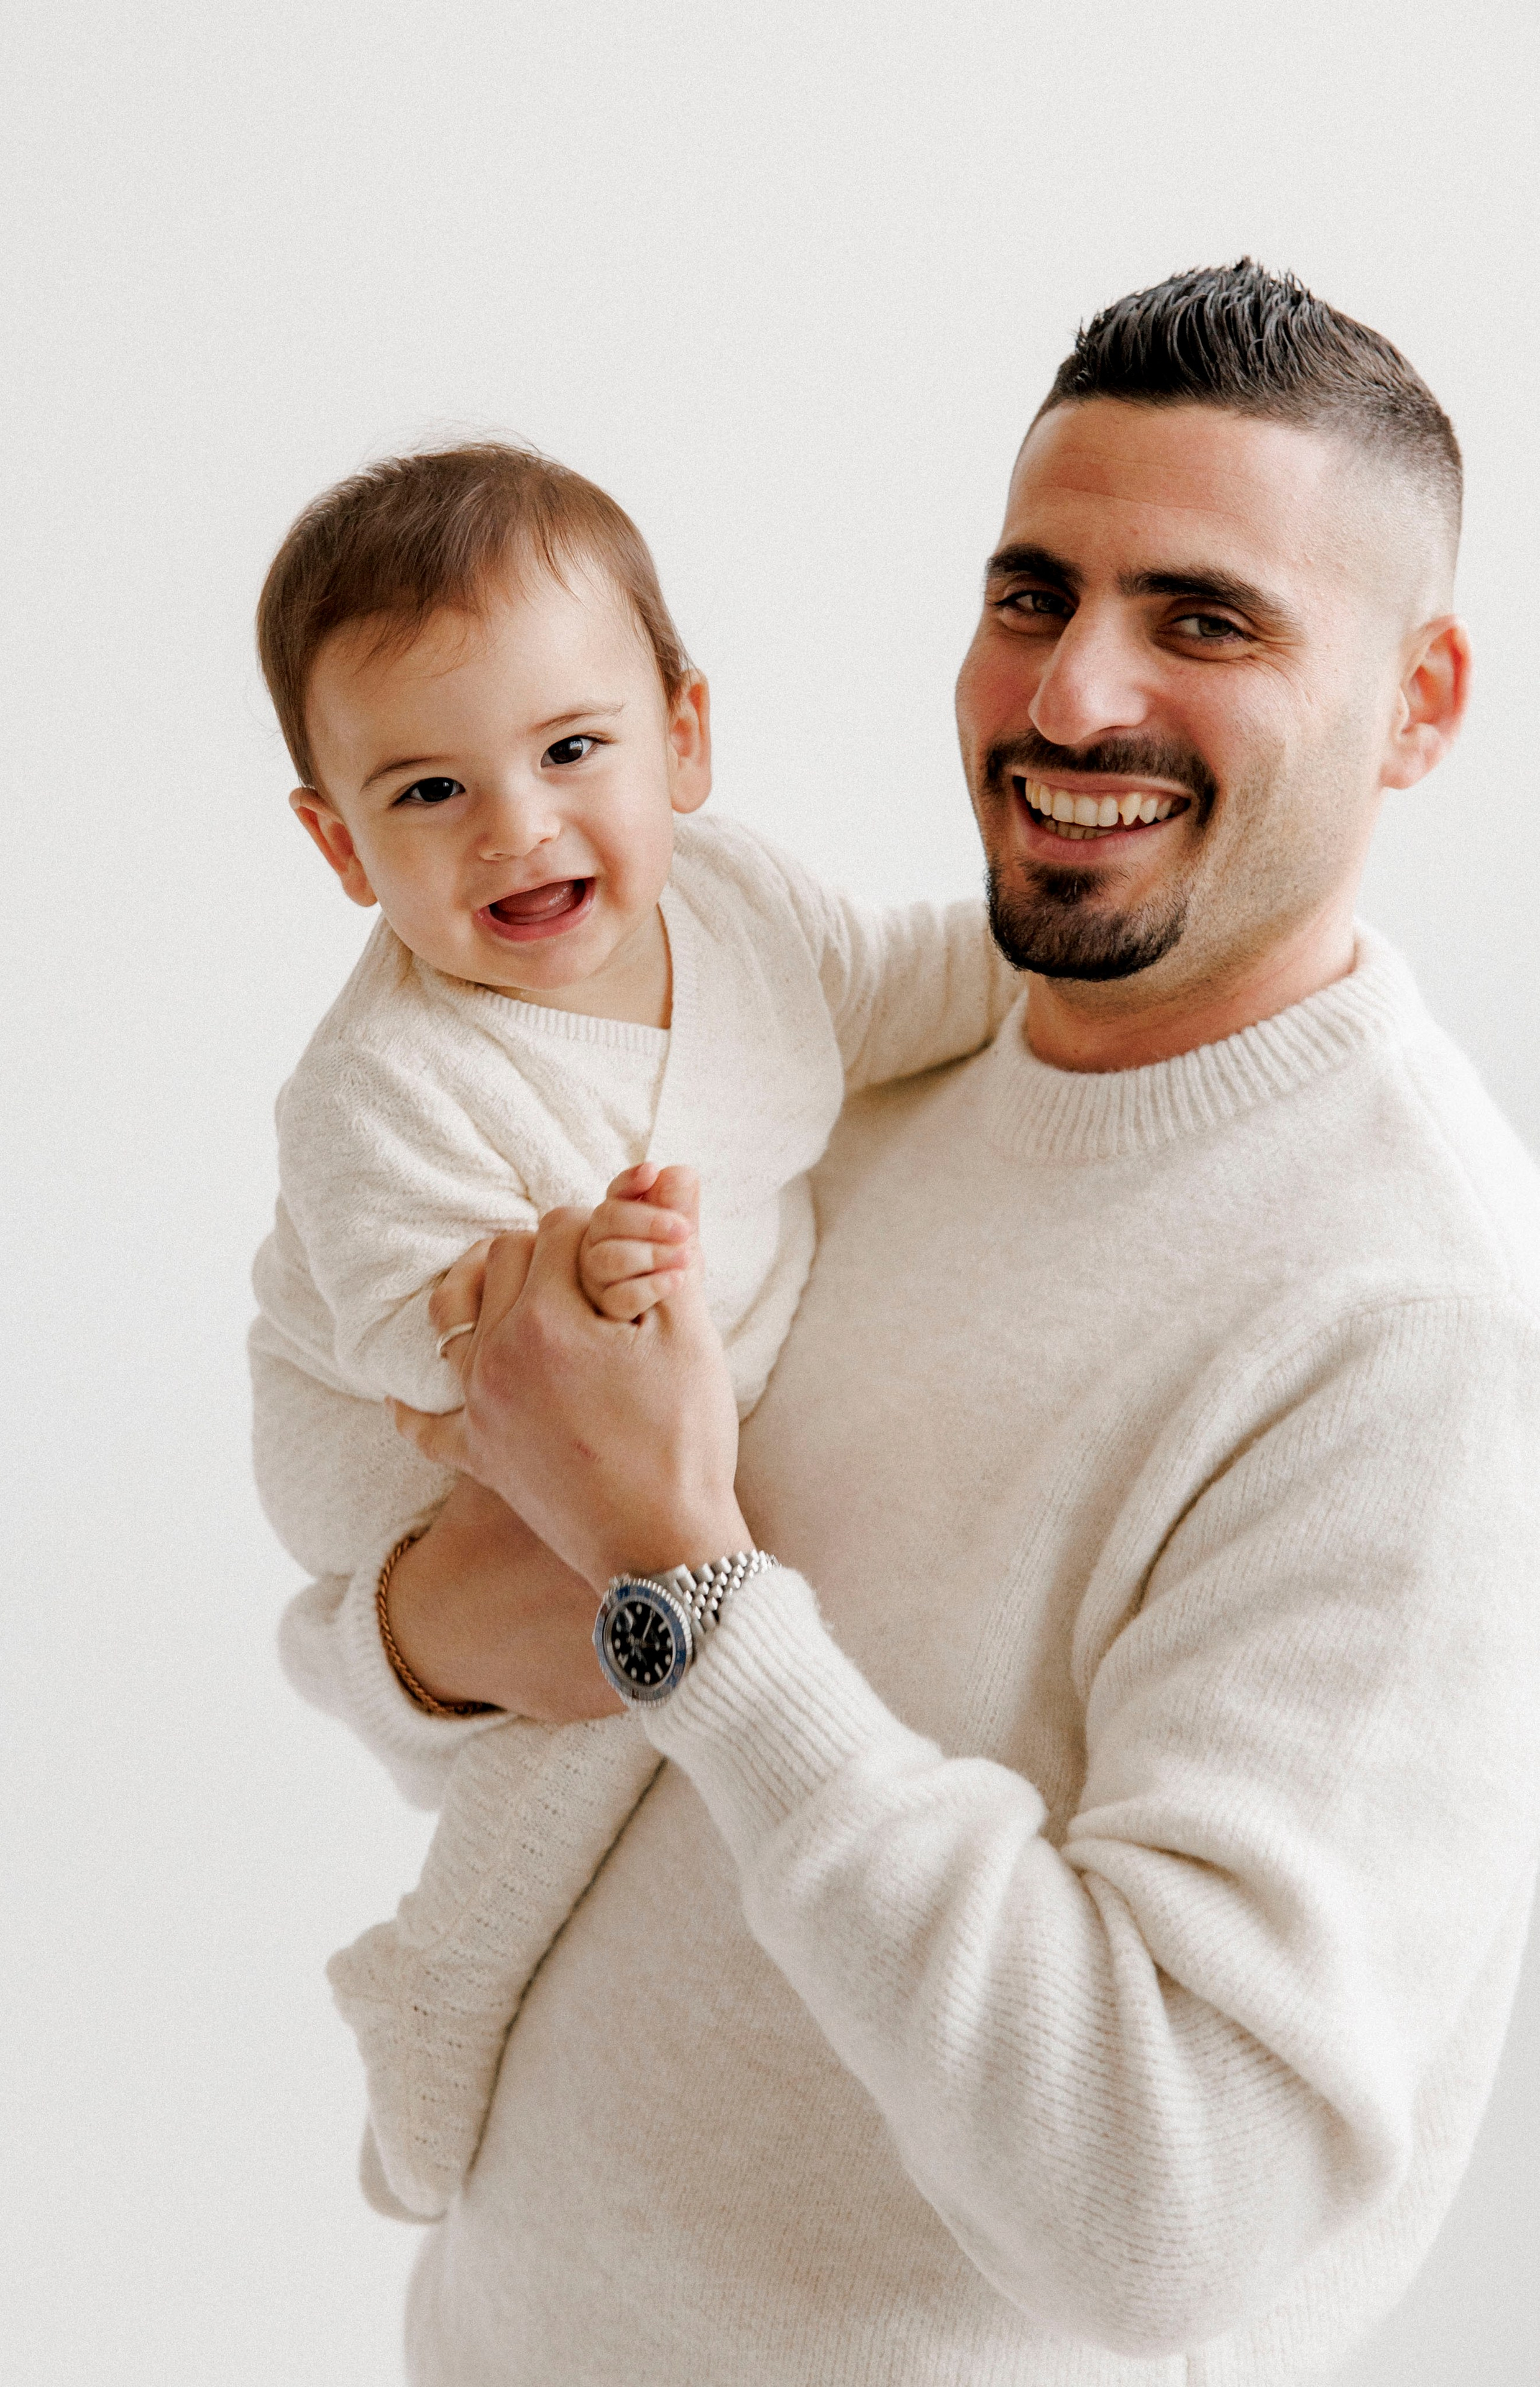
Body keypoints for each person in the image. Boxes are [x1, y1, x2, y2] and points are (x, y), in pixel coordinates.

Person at [276, 264, 1540, 2383]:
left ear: (1418, 704)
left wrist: (682, 1582)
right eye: (1033, 594)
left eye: (1205, 618)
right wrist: (408, 1635)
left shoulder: (1409, 1320)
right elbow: (504, 1655)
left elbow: (1166, 2205)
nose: (1071, 697)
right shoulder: (837, 1056)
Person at [249, 439, 1015, 2119]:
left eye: (571, 748)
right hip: (409, 1441)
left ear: (684, 737)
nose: (515, 827)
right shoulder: (387, 1084)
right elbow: (420, 1351)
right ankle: (440, 1986)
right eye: (428, 792)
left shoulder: (737, 905)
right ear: (337, 841)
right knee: (604, 1690)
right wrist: (574, 1288)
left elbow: (890, 989)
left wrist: (1044, 952)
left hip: (631, 1391)